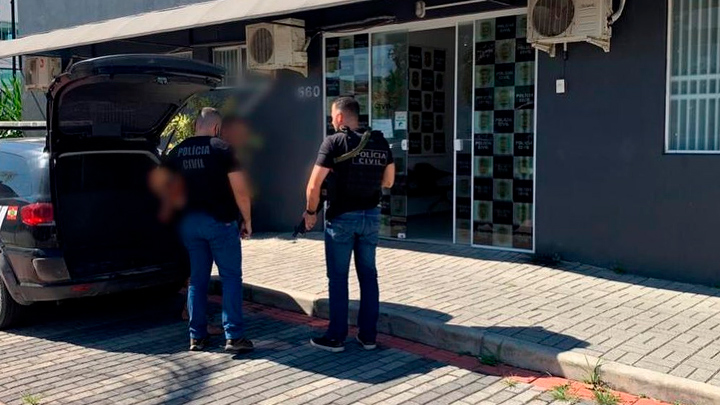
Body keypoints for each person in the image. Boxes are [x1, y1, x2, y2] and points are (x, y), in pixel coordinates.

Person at [303, 97, 395, 352]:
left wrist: (310, 212)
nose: (332, 121)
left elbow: (313, 185)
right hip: (371, 216)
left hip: (342, 218)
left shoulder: (334, 142)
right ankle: (368, 336)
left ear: (340, 117)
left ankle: (336, 337)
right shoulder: (379, 141)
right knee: (369, 276)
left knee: (338, 278)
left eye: (332, 116)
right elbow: (389, 181)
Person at [165, 107, 254, 353]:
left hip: (190, 224)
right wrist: (247, 220)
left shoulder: (177, 152)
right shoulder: (223, 149)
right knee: (231, 277)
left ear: (196, 126)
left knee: (197, 279)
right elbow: (240, 190)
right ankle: (234, 336)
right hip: (220, 222)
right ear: (217, 128)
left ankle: (197, 336)